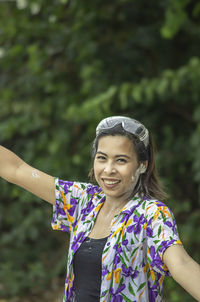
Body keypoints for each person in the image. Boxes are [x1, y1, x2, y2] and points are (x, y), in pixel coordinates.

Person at [0, 116, 200, 302]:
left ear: (142, 165)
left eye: (121, 160)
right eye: (102, 158)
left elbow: (181, 263)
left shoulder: (151, 214)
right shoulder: (84, 201)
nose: (108, 169)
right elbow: (16, 170)